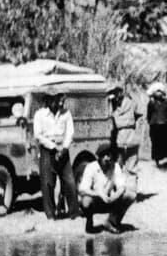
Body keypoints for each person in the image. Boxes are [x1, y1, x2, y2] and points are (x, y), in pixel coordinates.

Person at [34, 91, 78, 219]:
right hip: (47, 149)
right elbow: (38, 135)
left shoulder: (66, 114)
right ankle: (51, 214)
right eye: (54, 99)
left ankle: (74, 212)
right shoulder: (40, 115)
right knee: (47, 183)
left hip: (62, 148)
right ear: (47, 100)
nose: (58, 102)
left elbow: (70, 133)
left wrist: (63, 149)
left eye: (59, 99)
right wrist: (53, 147)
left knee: (69, 180)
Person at [78, 142, 134, 234]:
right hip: (96, 200)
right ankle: (89, 221)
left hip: (109, 200)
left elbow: (122, 187)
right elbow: (82, 189)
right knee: (85, 201)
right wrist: (99, 194)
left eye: (109, 155)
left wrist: (114, 197)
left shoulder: (115, 167)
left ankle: (112, 221)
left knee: (130, 195)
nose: (107, 158)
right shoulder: (91, 167)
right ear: (99, 157)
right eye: (104, 155)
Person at [108, 83, 145, 179]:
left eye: (116, 93)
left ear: (121, 93)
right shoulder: (111, 105)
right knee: (117, 167)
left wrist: (138, 131)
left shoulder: (131, 103)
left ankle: (131, 191)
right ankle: (119, 190)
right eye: (113, 93)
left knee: (131, 167)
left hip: (131, 137)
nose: (115, 96)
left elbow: (140, 116)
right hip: (118, 140)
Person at [146, 84, 167, 168]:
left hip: (163, 125)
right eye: (157, 91)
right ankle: (157, 161)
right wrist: (151, 122)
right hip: (154, 125)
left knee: (166, 143)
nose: (159, 93)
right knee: (155, 143)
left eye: (160, 91)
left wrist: (166, 123)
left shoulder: (166, 103)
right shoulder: (151, 103)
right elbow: (148, 115)